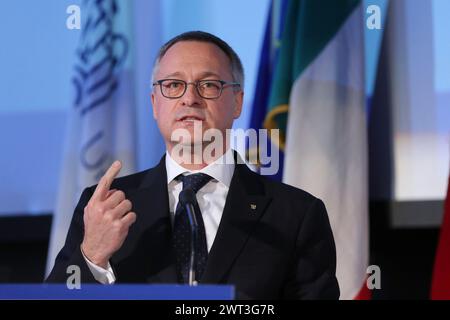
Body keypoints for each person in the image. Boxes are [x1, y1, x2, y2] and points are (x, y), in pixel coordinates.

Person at [47, 31, 339, 299]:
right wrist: (92, 255)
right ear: (154, 103)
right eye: (173, 85)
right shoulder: (105, 205)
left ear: (237, 102)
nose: (190, 98)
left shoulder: (296, 214)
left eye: (209, 85)